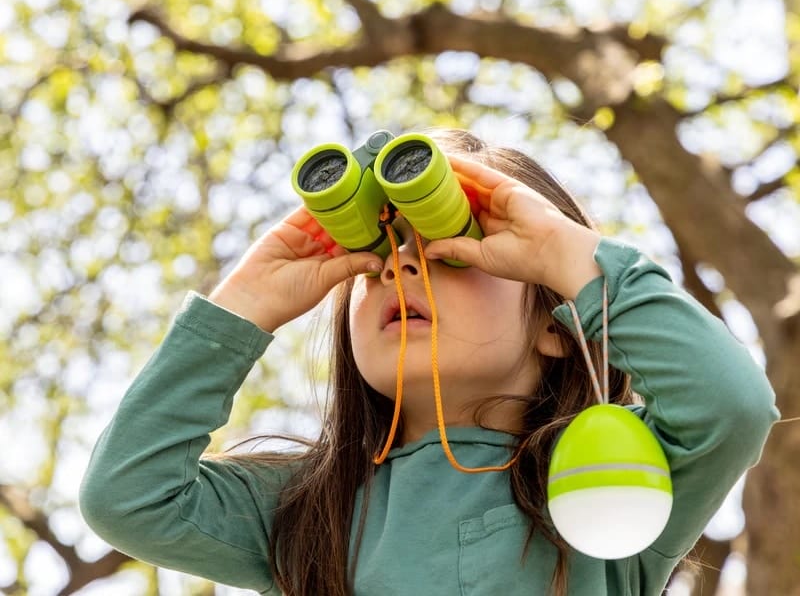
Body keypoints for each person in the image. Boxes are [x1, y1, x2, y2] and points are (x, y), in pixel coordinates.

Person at [79, 128, 778, 596]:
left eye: (450, 248)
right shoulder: (306, 510)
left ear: (557, 325)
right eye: (377, 256)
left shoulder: (607, 481)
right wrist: (247, 303)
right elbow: (128, 498)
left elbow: (732, 407)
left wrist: (568, 255)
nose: (400, 267)